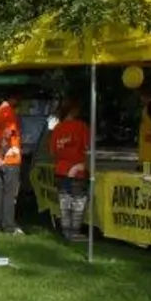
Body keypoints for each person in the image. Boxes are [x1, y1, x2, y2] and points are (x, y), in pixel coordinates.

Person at [50, 99, 90, 242]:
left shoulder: (57, 128)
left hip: (60, 170)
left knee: (64, 201)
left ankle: (66, 231)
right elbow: (88, 148)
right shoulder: (81, 127)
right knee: (78, 202)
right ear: (74, 111)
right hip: (77, 170)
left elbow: (53, 151)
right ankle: (74, 233)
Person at [0, 94, 23, 234]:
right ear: (12, 99)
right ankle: (9, 226)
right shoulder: (9, 112)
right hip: (10, 158)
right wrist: (4, 154)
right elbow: (9, 133)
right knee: (10, 193)